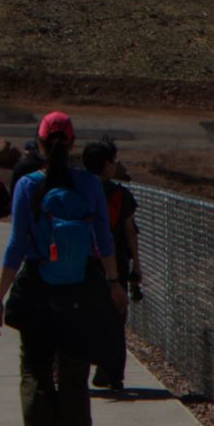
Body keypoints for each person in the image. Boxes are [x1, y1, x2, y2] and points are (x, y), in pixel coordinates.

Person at [0, 111, 127, 426]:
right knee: (74, 380)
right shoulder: (88, 185)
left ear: (39, 141)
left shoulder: (28, 186)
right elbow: (104, 240)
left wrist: (0, 296)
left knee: (34, 371)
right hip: (79, 290)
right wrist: (113, 282)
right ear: (71, 143)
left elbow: (17, 244)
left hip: (37, 288)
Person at [82, 140, 142, 395]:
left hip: (84, 264)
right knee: (116, 320)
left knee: (86, 318)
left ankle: (84, 365)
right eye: (114, 160)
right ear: (107, 164)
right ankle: (113, 373)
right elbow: (130, 232)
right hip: (115, 264)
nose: (116, 164)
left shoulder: (77, 190)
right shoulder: (120, 195)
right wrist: (136, 266)